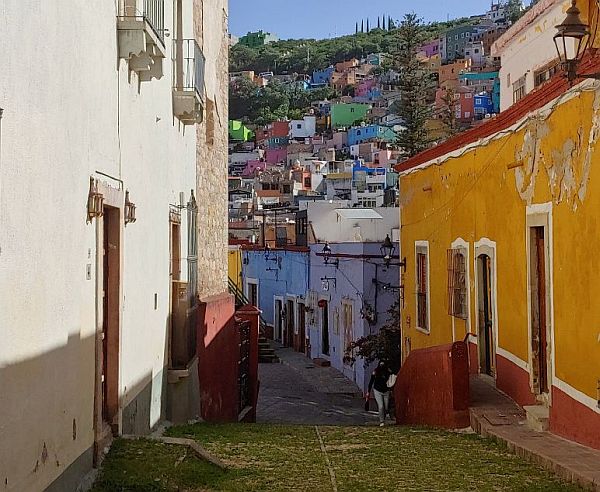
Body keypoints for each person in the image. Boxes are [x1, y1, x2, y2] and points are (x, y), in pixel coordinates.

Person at [366, 361, 392, 426]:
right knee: (381, 406)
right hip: (377, 390)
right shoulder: (375, 371)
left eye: (383, 364)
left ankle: (384, 418)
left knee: (386, 407)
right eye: (381, 364)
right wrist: (368, 392)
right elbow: (371, 381)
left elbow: (392, 378)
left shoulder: (388, 371)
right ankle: (381, 421)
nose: (382, 366)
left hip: (386, 391)